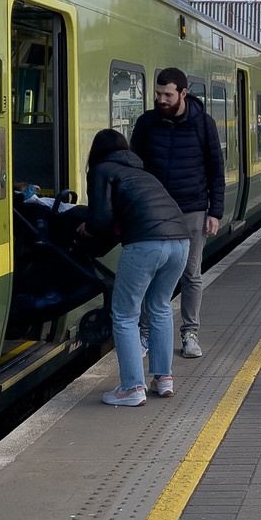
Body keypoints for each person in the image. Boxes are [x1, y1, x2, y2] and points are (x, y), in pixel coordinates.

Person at [84, 129, 191, 406]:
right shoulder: (143, 173)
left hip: (146, 243)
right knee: (160, 306)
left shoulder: (101, 170)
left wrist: (87, 228)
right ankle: (163, 379)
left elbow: (99, 220)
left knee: (124, 314)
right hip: (180, 241)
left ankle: (132, 388)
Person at [130, 67, 224, 359]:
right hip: (154, 211)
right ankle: (145, 334)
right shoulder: (147, 123)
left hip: (192, 209)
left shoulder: (203, 124)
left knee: (191, 274)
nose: (161, 99)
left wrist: (215, 212)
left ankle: (190, 333)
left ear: (183, 93)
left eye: (167, 94)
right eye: (158, 94)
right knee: (151, 273)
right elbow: (135, 165)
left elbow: (215, 169)